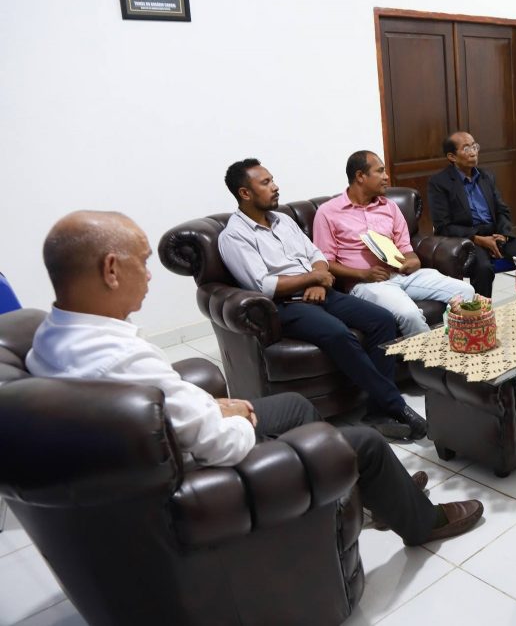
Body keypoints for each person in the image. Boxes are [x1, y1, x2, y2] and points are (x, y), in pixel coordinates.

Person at [26, 210, 483, 546]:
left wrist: (212, 405)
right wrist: (238, 414)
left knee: (297, 406)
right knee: (364, 442)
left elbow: (161, 409)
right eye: (142, 262)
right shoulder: (120, 358)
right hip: (208, 471)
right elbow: (219, 446)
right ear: (111, 269)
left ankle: (358, 496)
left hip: (179, 440)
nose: (148, 275)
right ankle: (423, 523)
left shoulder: (52, 335)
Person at [218, 158, 427, 440]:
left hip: (320, 290)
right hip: (285, 304)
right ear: (245, 193)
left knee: (382, 320)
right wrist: (313, 278)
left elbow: (316, 255)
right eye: (266, 183)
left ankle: (377, 411)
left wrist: (318, 277)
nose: (275, 187)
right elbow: (264, 285)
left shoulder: (283, 220)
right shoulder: (234, 236)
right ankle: (395, 405)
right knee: (339, 334)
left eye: (272, 180)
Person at [313, 150, 474, 336]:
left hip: (400, 274)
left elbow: (406, 248)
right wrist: (363, 274)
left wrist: (412, 261)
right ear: (360, 176)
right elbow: (325, 262)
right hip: (365, 284)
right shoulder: (328, 212)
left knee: (465, 291)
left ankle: (461, 342)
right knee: (409, 314)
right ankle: (428, 354)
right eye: (380, 171)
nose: (386, 177)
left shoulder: (389, 207)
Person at [428, 132, 516, 297]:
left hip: (496, 234)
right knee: (483, 269)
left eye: (474, 146)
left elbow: (502, 210)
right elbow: (443, 226)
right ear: (452, 156)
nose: (473, 152)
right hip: (468, 239)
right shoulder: (439, 182)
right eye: (466, 148)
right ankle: (482, 312)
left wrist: (504, 234)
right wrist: (478, 239)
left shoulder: (486, 176)